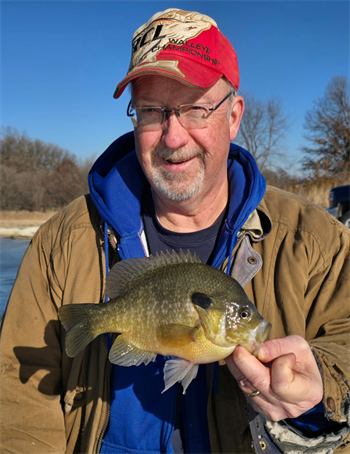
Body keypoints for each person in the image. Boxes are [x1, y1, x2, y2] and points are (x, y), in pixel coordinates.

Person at [0, 8, 349, 454]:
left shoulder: (318, 243)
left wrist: (326, 377)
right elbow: (17, 395)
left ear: (234, 115)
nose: (173, 135)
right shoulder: (61, 242)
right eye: (152, 110)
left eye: (196, 108)